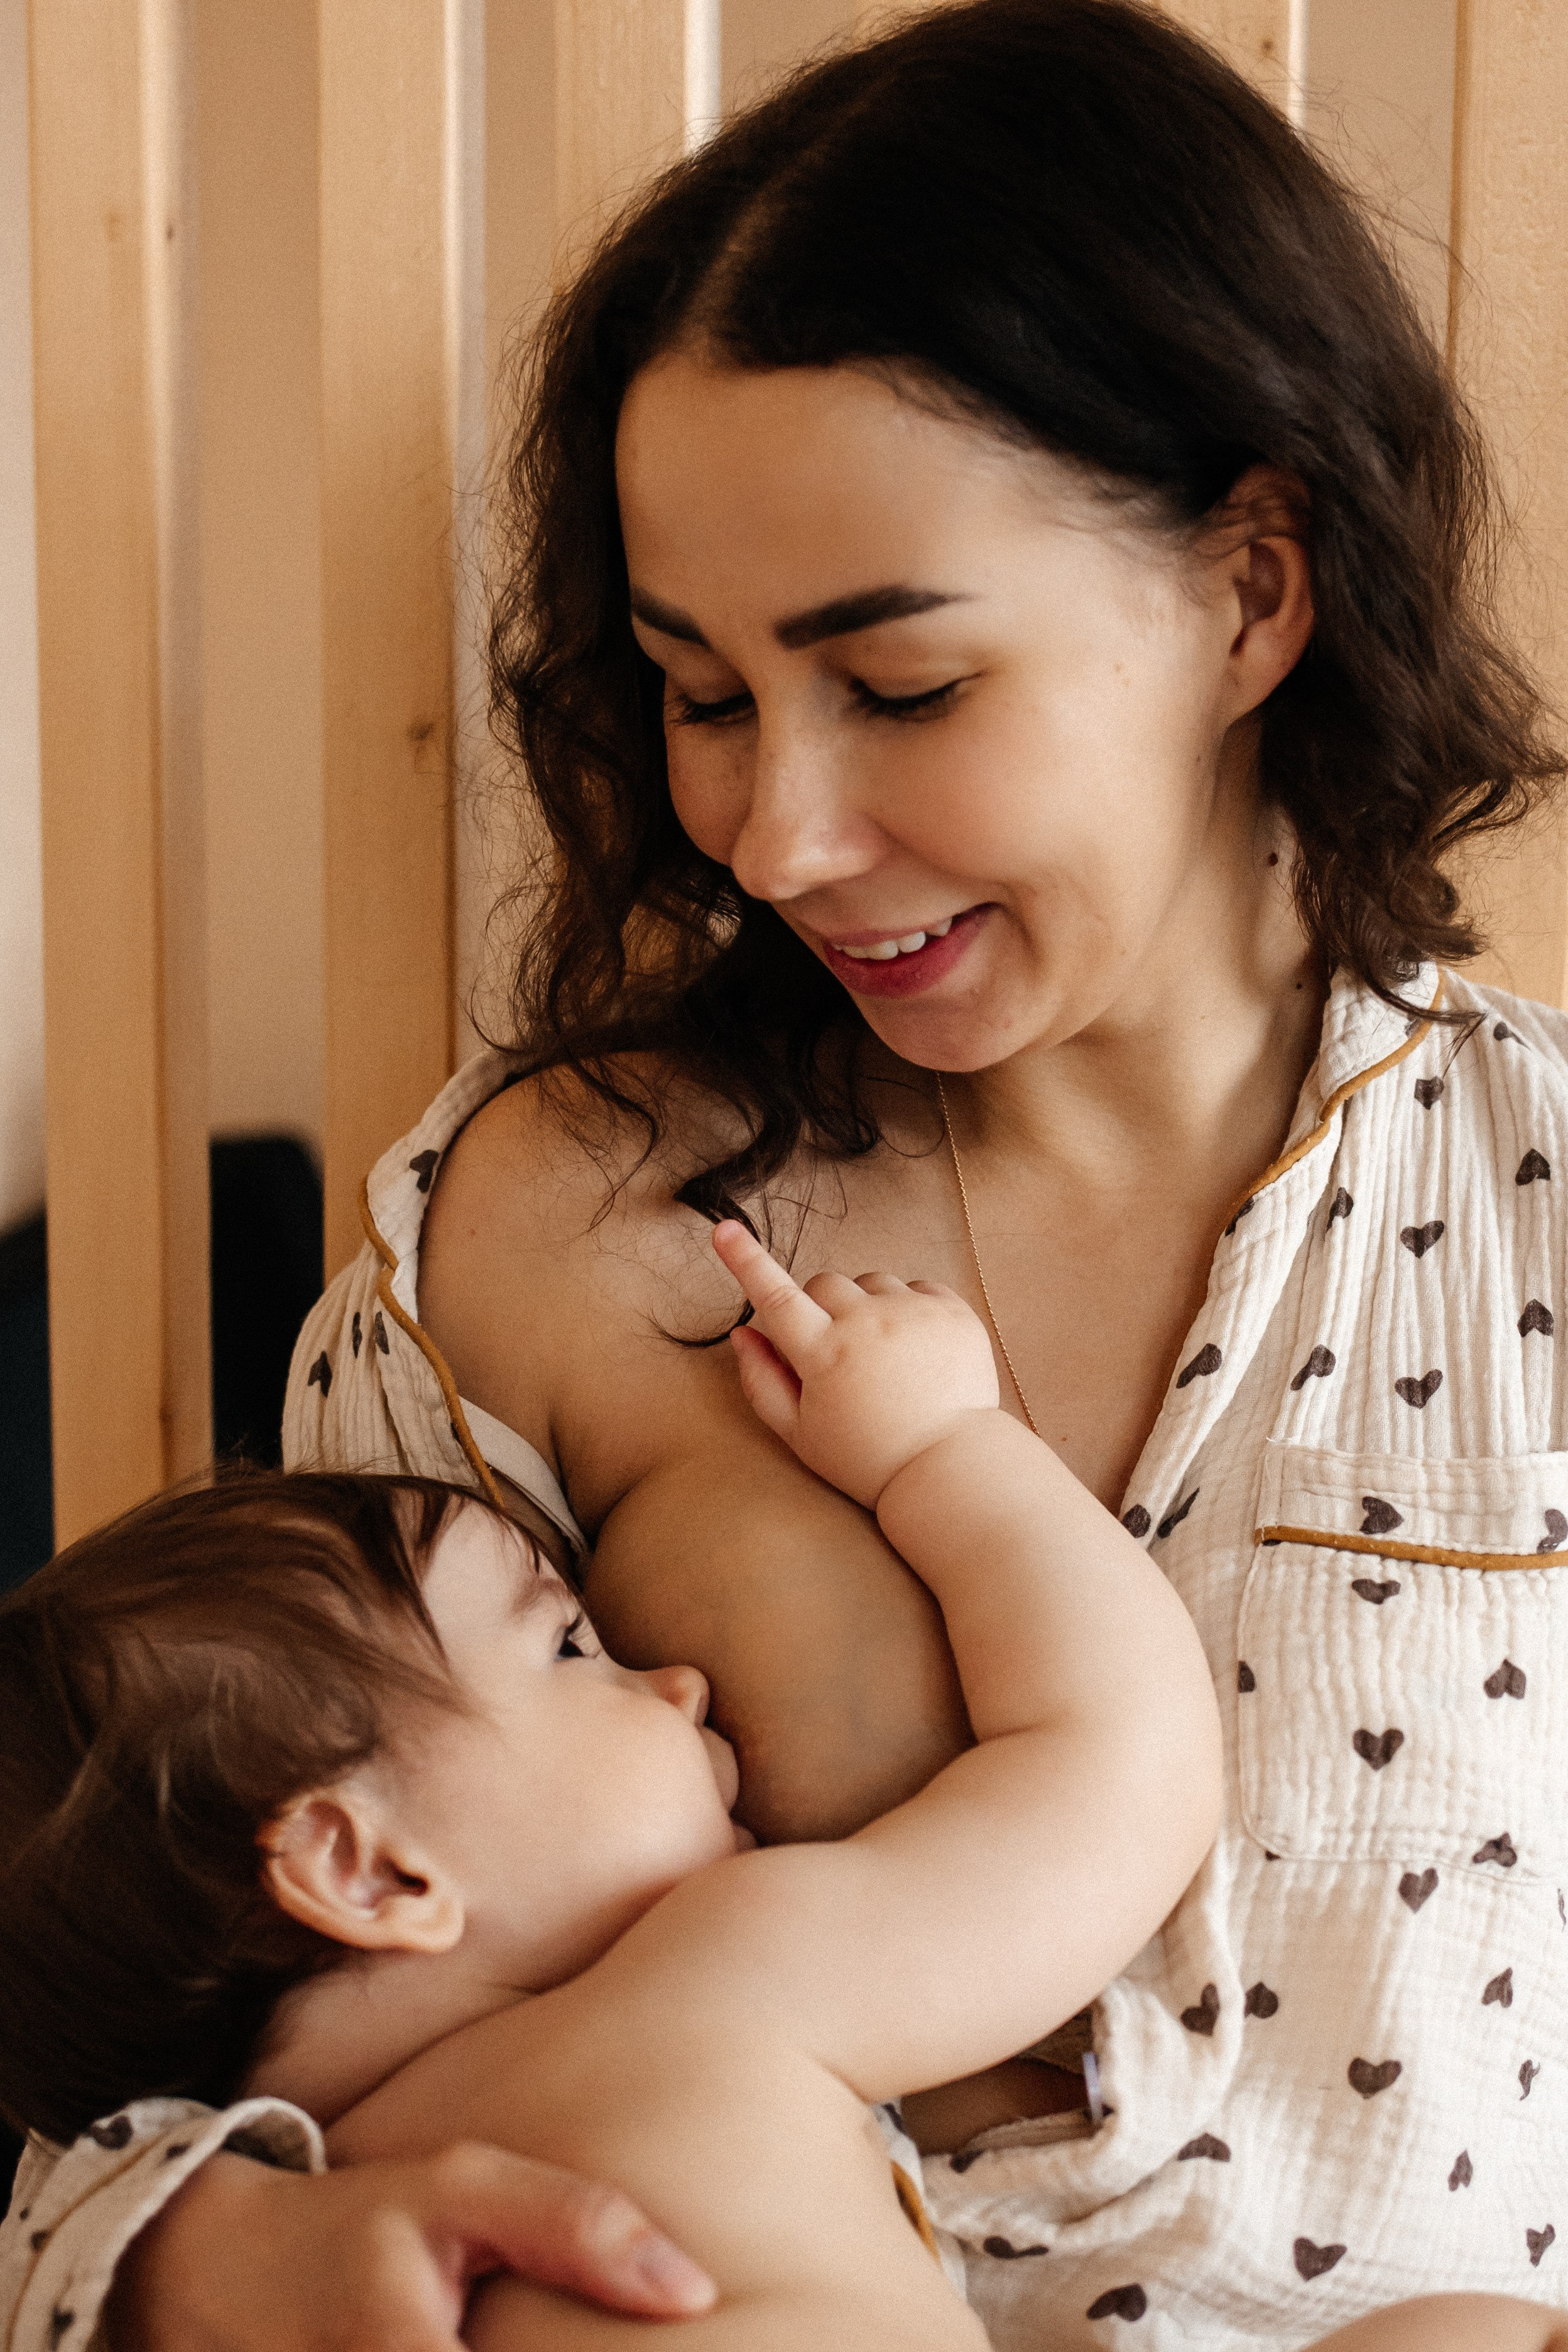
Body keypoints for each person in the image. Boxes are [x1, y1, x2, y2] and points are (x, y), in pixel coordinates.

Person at [6, 0, 1568, 2343]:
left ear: (1251, 590)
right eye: (702, 693)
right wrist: (192, 2259)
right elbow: (186, 1941)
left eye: (903, 685)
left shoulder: (1528, 1196)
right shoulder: (558, 1227)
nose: (777, 833)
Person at [0, 1226, 1225, 2351]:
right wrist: (941, 1447)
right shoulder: (706, 1983)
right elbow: (1117, 1768)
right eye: (571, 1649)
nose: (681, 1684)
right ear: (371, 1869)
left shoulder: (279, 2253)